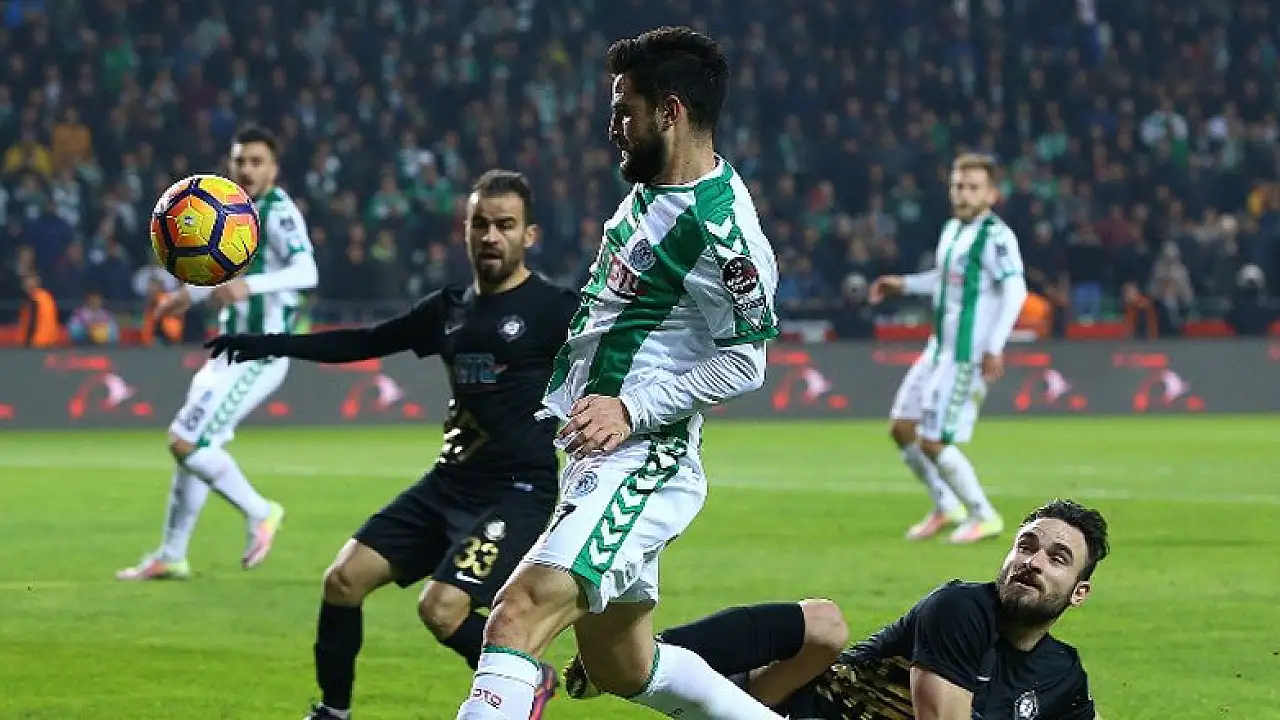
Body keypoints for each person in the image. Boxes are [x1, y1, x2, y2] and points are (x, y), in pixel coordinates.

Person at [455, 26, 783, 720]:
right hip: (595, 453)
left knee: (515, 616)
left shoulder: (721, 231)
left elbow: (746, 361)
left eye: (623, 112)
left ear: (670, 111)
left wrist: (631, 409)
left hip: (644, 457)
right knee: (624, 666)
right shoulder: (653, 189)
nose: (612, 129)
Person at [205, 170, 577, 720]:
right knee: (343, 581)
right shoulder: (449, 309)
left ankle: (529, 676)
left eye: (505, 225)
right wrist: (267, 344)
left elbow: (616, 354)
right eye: (480, 224)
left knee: (441, 609)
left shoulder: (555, 309)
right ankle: (333, 712)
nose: (491, 236)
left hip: (515, 492)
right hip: (450, 481)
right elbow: (365, 341)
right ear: (465, 230)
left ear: (530, 235)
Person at [565, 499, 1108, 720]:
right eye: (1026, 546)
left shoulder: (1062, 673)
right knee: (825, 624)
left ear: (1078, 592)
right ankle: (635, 654)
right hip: (791, 705)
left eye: (1057, 558)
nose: (1033, 562)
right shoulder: (963, 609)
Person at [116, 125, 316, 580]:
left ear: (273, 169)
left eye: (256, 162)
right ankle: (172, 554)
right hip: (227, 349)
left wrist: (252, 286)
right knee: (193, 447)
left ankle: (260, 511)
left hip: (261, 352)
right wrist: (188, 295)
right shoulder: (229, 209)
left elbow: (307, 271)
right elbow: (220, 272)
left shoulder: (279, 211)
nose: (246, 169)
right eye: (240, 160)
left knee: (186, 441)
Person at [870, 154, 1029, 544]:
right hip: (938, 349)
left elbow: (1015, 290)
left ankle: (983, 515)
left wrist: (994, 346)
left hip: (965, 356)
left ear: (991, 194)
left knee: (934, 439)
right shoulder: (953, 229)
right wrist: (904, 285)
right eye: (958, 186)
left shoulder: (996, 237)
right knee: (902, 428)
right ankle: (946, 506)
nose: (963, 194)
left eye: (973, 187)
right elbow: (945, 280)